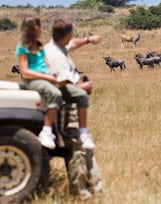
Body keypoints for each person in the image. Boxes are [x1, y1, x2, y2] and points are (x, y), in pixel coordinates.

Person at [44, 18, 102, 198]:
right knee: (77, 148)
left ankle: (95, 189)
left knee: (84, 146)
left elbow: (71, 45)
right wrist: (82, 89)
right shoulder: (56, 57)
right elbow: (59, 83)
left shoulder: (56, 47)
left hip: (70, 106)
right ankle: (81, 194)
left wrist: (87, 40)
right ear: (68, 35)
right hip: (66, 109)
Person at [16, 16, 60, 150]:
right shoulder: (22, 47)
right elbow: (24, 71)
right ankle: (46, 131)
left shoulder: (39, 45)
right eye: (38, 26)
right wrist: (47, 78)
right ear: (32, 29)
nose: (41, 29)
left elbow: (47, 64)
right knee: (55, 94)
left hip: (45, 77)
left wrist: (54, 74)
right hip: (33, 80)